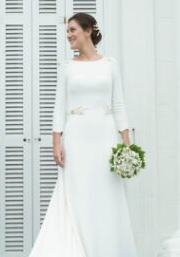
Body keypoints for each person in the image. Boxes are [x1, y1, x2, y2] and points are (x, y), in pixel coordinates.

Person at [29, 13, 137, 256]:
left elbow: (118, 104)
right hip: (76, 138)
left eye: (73, 30)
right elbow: (60, 106)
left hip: (105, 136)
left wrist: (127, 145)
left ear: (88, 31)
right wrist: (56, 141)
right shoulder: (66, 67)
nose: (69, 35)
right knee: (77, 193)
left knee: (106, 194)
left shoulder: (110, 64)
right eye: (67, 31)